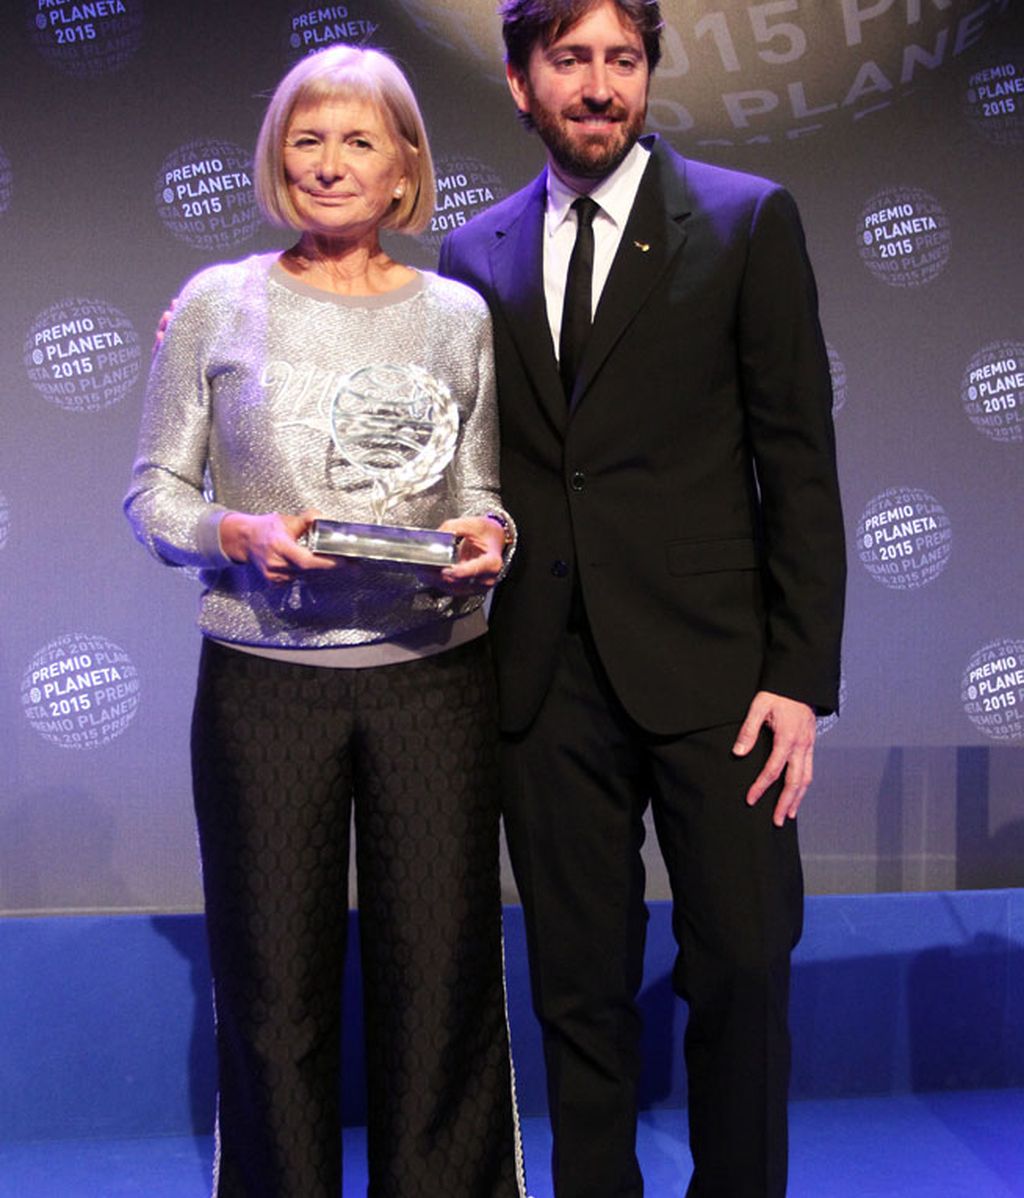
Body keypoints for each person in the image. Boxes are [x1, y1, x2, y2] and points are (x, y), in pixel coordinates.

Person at [438, 0, 846, 1195]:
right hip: (543, 674)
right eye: (570, 61)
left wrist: (798, 678)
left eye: (623, 59)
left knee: (742, 964)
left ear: (650, 75)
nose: (600, 85)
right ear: (521, 82)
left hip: (721, 676)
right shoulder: (473, 254)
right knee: (577, 985)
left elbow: (800, 462)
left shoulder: (742, 218)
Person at [126, 45, 524, 1198]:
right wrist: (236, 535)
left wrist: (493, 543)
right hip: (265, 683)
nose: (330, 164)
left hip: (433, 679)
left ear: (406, 166)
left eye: (360, 140)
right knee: (272, 987)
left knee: (439, 980)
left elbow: (481, 493)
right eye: (307, 140)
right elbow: (156, 495)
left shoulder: (458, 314)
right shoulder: (214, 303)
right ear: (275, 160)